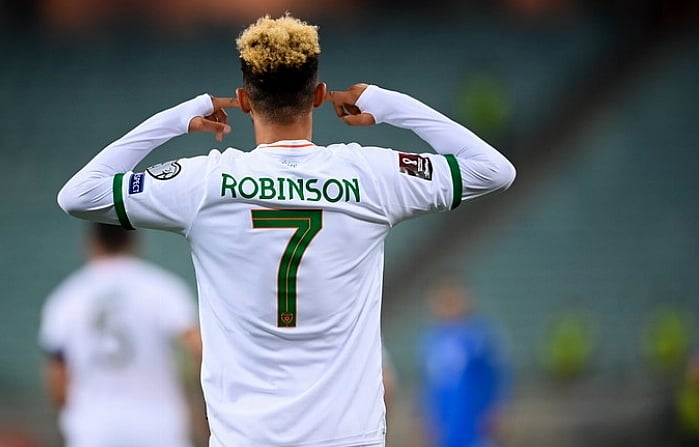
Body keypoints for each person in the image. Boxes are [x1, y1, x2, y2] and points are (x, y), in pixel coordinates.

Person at [57, 14, 516, 447]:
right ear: (318, 95)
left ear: (242, 100)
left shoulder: (206, 182)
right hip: (347, 435)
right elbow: (493, 170)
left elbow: (79, 194)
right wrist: (386, 104)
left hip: (246, 437)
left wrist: (181, 117)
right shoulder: (369, 175)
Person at [38, 223, 202, 447]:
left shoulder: (67, 297)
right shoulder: (162, 288)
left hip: (93, 428)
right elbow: (197, 347)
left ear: (91, 243)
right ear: (134, 242)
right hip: (157, 426)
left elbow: (57, 376)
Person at [418, 278, 510, 447]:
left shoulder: (479, 337)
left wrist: (496, 413)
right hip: (445, 432)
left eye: (452, 300)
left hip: (476, 429)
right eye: (442, 301)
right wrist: (427, 420)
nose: (447, 306)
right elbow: (429, 387)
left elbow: (499, 377)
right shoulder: (431, 341)